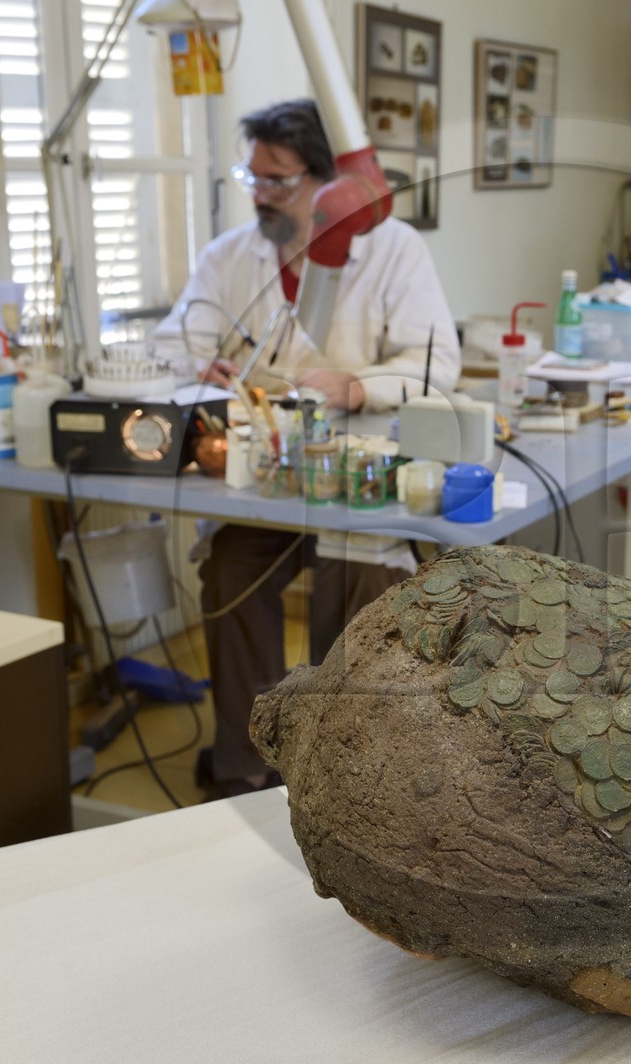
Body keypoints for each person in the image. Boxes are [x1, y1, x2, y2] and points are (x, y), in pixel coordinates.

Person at [150, 99, 460, 800]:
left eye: (277, 181)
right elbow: (172, 344)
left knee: (357, 585)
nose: (259, 194)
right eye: (251, 177)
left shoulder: (394, 249)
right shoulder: (230, 258)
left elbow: (437, 364)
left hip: (359, 479)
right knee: (230, 570)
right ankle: (244, 767)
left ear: (331, 183)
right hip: (269, 478)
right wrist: (199, 369)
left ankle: (342, 776)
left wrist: (357, 386)